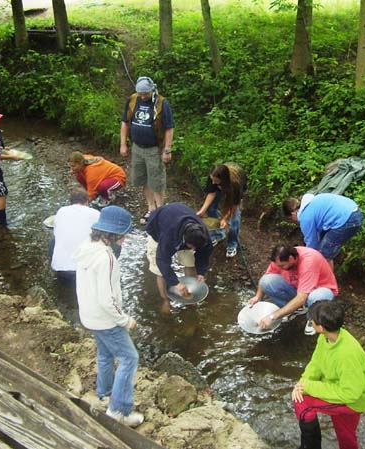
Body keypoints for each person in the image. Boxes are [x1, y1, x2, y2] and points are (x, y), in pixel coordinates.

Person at [73, 205, 144, 428]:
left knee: (105, 354)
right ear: (113, 233)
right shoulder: (107, 258)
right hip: (105, 319)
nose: (126, 237)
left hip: (89, 315)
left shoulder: (87, 247)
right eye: (124, 233)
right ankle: (119, 410)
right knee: (129, 358)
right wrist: (125, 320)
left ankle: (104, 393)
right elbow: (107, 299)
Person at [292, 300, 365, 449]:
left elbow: (350, 393)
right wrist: (303, 382)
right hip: (343, 391)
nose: (310, 322)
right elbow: (316, 363)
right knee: (345, 434)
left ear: (321, 327)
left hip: (352, 400)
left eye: (312, 321)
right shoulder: (327, 337)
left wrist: (308, 387)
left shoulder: (347, 354)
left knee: (302, 403)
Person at [120, 76, 174, 224]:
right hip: (137, 147)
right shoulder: (132, 100)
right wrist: (123, 144)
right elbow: (125, 123)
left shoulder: (162, 103)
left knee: (156, 181)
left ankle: (160, 212)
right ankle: (151, 209)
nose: (143, 96)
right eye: (140, 94)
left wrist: (167, 150)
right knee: (143, 179)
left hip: (154, 149)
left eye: (146, 94)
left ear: (152, 90)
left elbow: (169, 128)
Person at [248, 245, 338, 335]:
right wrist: (258, 296)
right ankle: (294, 309)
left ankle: (312, 318)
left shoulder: (308, 262)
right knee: (266, 281)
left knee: (315, 297)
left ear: (291, 259)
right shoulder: (280, 259)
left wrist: (273, 316)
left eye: (282, 266)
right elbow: (266, 276)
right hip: (298, 287)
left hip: (320, 289)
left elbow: (302, 298)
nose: (279, 268)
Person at [145, 202, 213, 313]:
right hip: (158, 227)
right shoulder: (168, 236)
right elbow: (162, 261)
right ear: (185, 241)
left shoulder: (203, 235)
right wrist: (175, 283)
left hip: (181, 223)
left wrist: (201, 272)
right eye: (192, 247)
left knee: (190, 263)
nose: (194, 250)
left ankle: (192, 300)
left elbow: (205, 253)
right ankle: (165, 300)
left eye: (196, 248)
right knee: (160, 271)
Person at [283, 193, 363, 271]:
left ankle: (328, 282)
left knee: (324, 255)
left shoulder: (305, 218)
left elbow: (312, 245)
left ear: (293, 214)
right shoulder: (312, 201)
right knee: (324, 246)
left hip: (346, 220)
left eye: (291, 219)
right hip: (355, 212)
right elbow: (319, 234)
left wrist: (306, 261)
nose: (294, 221)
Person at [196, 163, 247, 258]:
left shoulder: (235, 183)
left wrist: (225, 218)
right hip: (224, 184)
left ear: (223, 180)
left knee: (234, 218)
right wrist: (202, 210)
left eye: (216, 181)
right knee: (211, 208)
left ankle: (232, 243)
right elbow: (211, 193)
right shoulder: (213, 177)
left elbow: (234, 205)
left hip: (236, 190)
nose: (213, 182)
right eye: (212, 180)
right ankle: (218, 234)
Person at [50, 187, 100, 280]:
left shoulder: (61, 211)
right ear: (87, 201)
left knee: (53, 241)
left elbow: (56, 232)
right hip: (85, 270)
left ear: (71, 202)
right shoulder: (95, 214)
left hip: (61, 269)